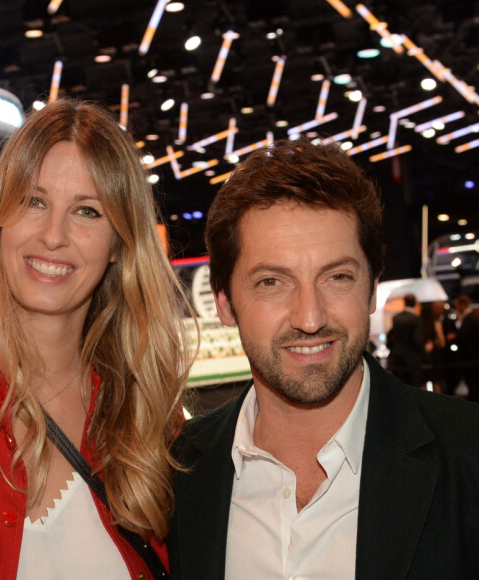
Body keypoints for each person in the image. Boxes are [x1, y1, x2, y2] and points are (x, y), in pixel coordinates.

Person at [0, 99, 193, 579]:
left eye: (87, 211)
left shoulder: (151, 420)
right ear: (0, 216)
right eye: (34, 202)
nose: (53, 235)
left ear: (119, 244)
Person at [167, 138, 479, 579]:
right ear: (224, 302)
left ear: (371, 289)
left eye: (337, 277)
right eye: (272, 282)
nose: (310, 318)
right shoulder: (175, 474)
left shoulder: (468, 456)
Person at [386, 293, 425, 387]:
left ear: (404, 303)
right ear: (415, 303)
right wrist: (423, 352)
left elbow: (391, 336)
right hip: (413, 359)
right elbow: (417, 340)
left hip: (398, 358)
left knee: (400, 388)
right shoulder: (416, 319)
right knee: (413, 389)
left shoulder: (396, 318)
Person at [453, 294, 479, 402]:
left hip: (471, 359)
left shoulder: (469, 318)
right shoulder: (473, 317)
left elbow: (462, 337)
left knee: (473, 386)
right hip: (474, 358)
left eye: (457, 306)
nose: (456, 309)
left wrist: (454, 337)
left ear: (462, 305)